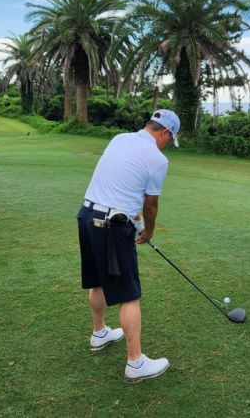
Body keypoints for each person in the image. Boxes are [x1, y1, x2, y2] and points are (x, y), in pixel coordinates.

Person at [77, 109, 180, 382]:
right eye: (170, 139)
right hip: (111, 226)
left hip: (87, 215)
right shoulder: (158, 159)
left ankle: (99, 333)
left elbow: (121, 183)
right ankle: (135, 363)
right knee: (129, 294)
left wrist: (133, 218)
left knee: (97, 280)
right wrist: (148, 230)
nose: (168, 144)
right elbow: (150, 204)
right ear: (164, 132)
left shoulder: (119, 138)